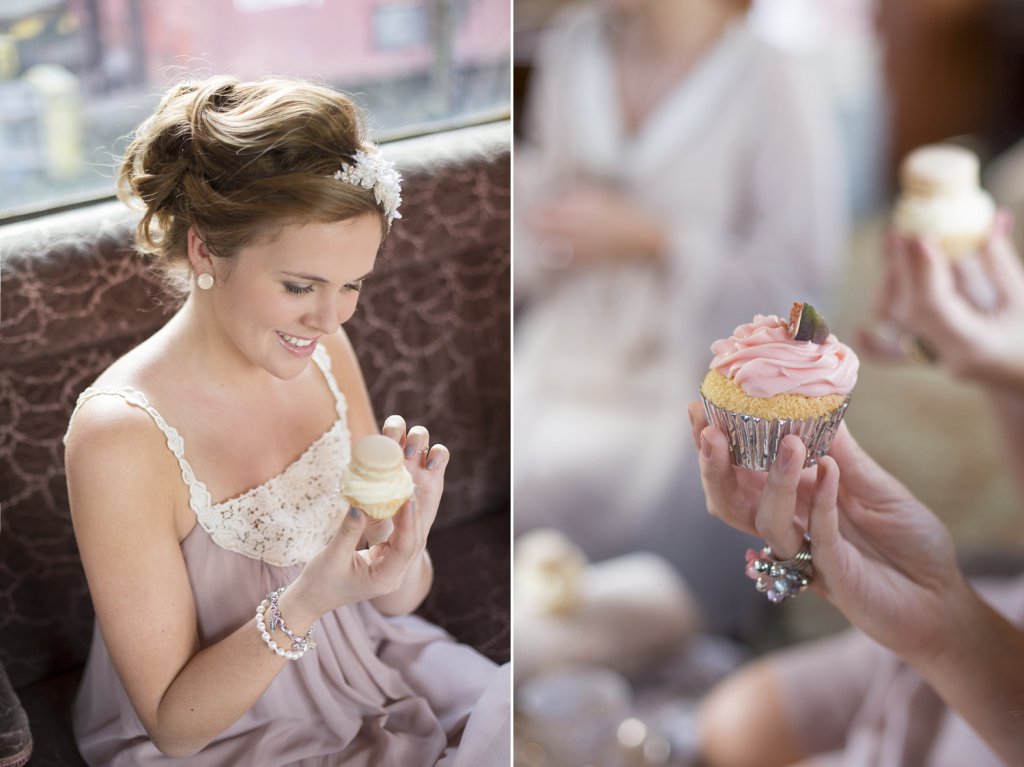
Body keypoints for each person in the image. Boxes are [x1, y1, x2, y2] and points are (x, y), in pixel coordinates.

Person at [63, 76, 509, 766]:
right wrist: (307, 601)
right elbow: (174, 727)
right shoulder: (119, 436)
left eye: (353, 284)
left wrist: (403, 543)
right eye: (299, 286)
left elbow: (396, 603)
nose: (331, 319)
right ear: (205, 249)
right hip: (229, 732)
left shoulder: (327, 349)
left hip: (371, 659)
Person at [513, 0, 847, 634]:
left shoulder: (774, 76)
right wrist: (546, 223)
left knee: (649, 558)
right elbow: (540, 219)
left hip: (698, 370)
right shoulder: (572, 45)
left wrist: (655, 239)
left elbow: (802, 294)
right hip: (567, 349)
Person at [688, 213, 1024, 767]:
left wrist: (945, 627)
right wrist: (996, 363)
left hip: (996, 695)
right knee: (731, 725)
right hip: (999, 616)